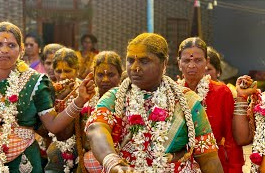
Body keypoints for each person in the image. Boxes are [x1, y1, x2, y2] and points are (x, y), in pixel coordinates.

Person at [0, 22, 95, 172]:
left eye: (11, 45)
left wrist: (79, 100)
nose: (4, 50)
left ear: (21, 49)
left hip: (24, 163)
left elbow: (53, 125)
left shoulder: (36, 82)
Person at [85, 33, 223, 172]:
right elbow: (96, 129)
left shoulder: (186, 101)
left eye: (144, 61)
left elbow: (209, 158)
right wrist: (113, 163)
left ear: (164, 64)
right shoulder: (114, 97)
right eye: (130, 60)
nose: (135, 67)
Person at [178, 37, 244, 172]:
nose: (191, 66)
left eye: (198, 60)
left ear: (206, 62)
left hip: (215, 164)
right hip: (181, 165)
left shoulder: (221, 92)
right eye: (186, 61)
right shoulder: (173, 93)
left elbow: (231, 139)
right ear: (179, 63)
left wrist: (235, 169)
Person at [82, 51, 123, 173]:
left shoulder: (128, 98)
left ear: (120, 75)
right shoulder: (86, 98)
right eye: (100, 75)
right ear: (93, 75)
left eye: (111, 75)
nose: (105, 79)